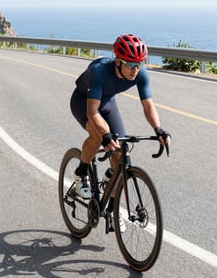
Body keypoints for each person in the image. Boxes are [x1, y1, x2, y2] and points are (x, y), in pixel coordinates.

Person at [70, 33, 171, 206]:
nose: (135, 69)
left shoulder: (140, 74)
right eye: (130, 64)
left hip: (107, 101)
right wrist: (105, 133)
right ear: (117, 61)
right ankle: (81, 172)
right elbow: (92, 110)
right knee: (98, 137)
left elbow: (148, 106)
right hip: (83, 101)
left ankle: (112, 208)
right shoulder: (99, 71)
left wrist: (158, 129)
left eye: (139, 64)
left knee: (120, 154)